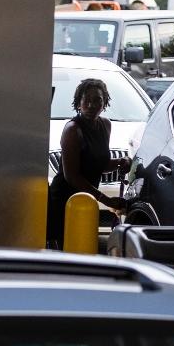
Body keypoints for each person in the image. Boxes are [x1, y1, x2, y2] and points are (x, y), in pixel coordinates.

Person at [46, 78, 130, 249]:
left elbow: (99, 163)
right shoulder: (72, 130)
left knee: (83, 247)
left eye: (97, 99)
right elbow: (72, 176)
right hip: (65, 201)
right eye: (87, 100)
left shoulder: (105, 125)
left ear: (105, 102)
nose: (91, 105)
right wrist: (106, 200)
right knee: (65, 250)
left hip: (86, 200)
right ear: (79, 102)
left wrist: (121, 162)